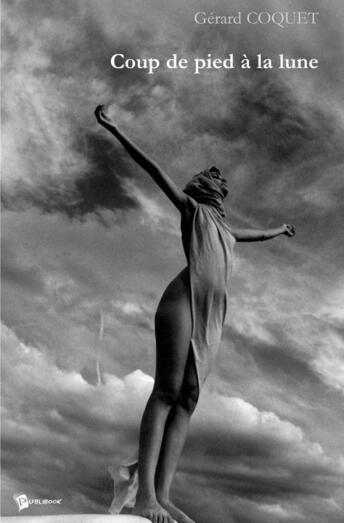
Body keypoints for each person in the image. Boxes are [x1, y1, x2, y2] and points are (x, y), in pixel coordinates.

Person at [94, 105, 295, 523]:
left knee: (188, 398)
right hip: (184, 298)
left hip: (214, 310)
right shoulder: (193, 210)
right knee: (166, 390)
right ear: (203, 187)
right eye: (215, 175)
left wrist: (280, 229)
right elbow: (151, 169)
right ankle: (145, 496)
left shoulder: (226, 230)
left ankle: (163, 495)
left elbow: (256, 234)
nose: (221, 181)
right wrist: (117, 130)